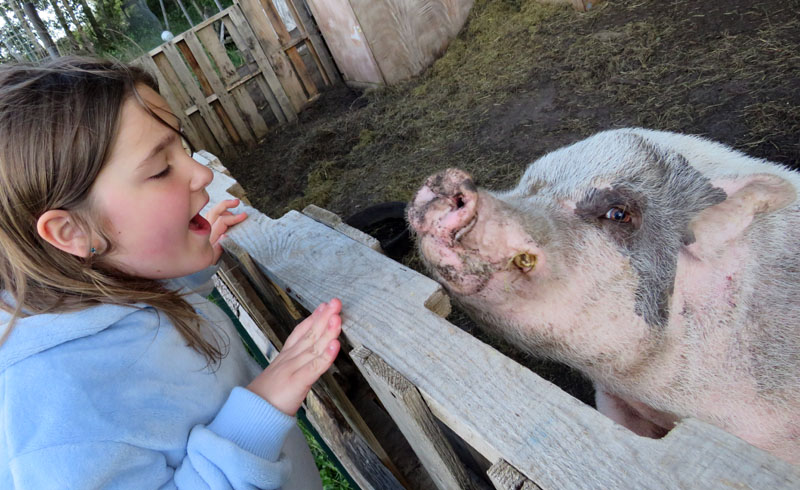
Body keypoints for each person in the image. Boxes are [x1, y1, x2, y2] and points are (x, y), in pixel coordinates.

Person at [0, 56, 343, 489]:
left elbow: (138, 313)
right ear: (71, 230)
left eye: (182, 148)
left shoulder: (83, 288)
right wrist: (259, 411)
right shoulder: (56, 409)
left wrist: (186, 268)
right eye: (161, 169)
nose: (201, 172)